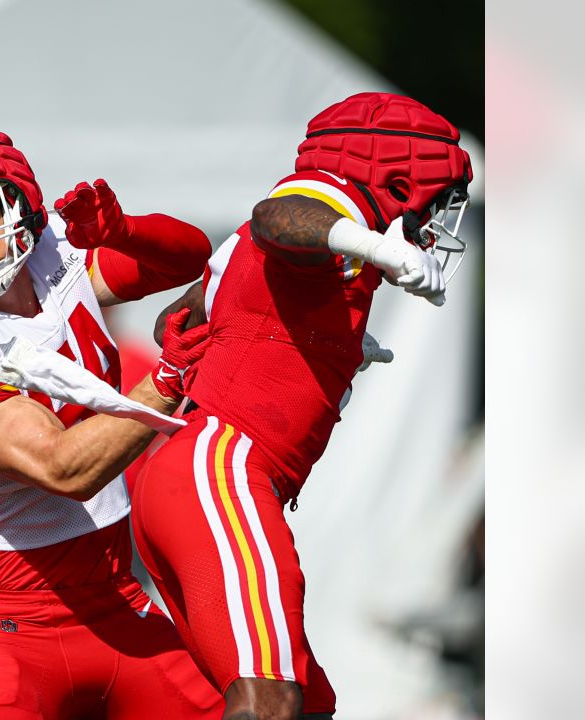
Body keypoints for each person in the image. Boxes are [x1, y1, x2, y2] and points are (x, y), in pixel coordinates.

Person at [96, 92, 473, 720]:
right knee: (269, 701)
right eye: (434, 200)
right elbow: (278, 217)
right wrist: (379, 248)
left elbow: (180, 316)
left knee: (298, 706)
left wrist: (308, 336)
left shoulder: (286, 247)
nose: (435, 222)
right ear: (399, 176)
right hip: (223, 469)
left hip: (192, 478)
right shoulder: (331, 202)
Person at [0, 125, 224, 718]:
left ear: (17, 207)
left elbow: (189, 259)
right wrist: (169, 374)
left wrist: (125, 232)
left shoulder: (54, 258)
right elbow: (64, 469)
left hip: (118, 594)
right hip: (18, 619)